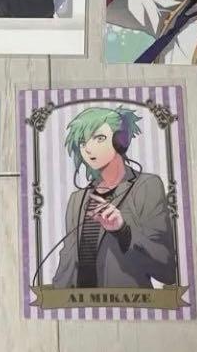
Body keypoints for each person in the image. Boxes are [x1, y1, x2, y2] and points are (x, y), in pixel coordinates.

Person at [51, 106, 176, 289]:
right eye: (83, 142)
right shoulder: (77, 199)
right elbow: (68, 261)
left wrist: (122, 230)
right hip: (80, 302)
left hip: (128, 302)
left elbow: (166, 268)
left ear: (120, 141)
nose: (88, 149)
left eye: (99, 138)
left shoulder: (146, 186)